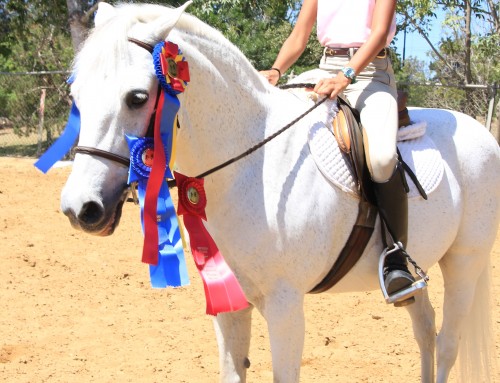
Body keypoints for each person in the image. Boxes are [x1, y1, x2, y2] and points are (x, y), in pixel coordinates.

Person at [261, 0, 424, 306]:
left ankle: (396, 259)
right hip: (324, 68)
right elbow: (299, 35)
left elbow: (377, 34)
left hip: (371, 75)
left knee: (382, 158)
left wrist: (347, 75)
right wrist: (275, 70)